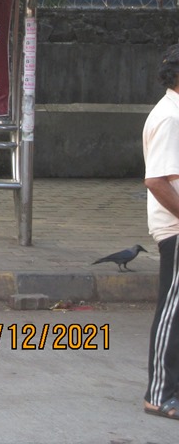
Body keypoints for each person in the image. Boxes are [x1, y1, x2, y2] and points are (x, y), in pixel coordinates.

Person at [143, 43, 179, 419]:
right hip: (175, 228)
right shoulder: (170, 117)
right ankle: (159, 394)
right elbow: (156, 181)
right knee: (172, 311)